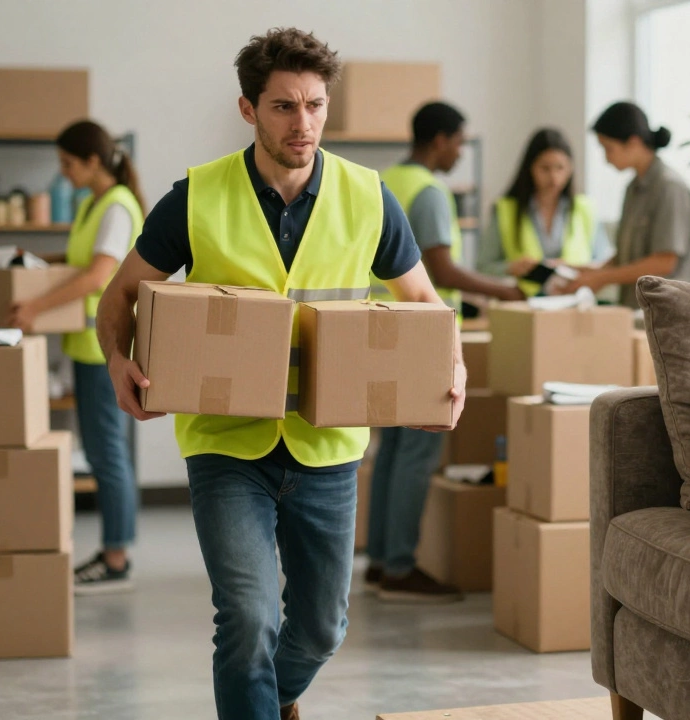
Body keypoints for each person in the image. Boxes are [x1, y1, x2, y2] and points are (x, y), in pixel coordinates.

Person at [95, 28, 464, 720]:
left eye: (316, 106)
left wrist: (452, 371)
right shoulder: (197, 196)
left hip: (327, 448)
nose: (304, 124)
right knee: (247, 616)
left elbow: (425, 304)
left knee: (323, 628)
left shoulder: (368, 196)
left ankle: (273, 698)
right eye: (284, 108)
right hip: (225, 444)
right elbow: (119, 294)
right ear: (248, 109)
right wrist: (119, 360)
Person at [363, 102, 519, 604]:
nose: (459, 152)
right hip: (419, 332)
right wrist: (504, 291)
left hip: (379, 327)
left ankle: (382, 562)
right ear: (439, 140)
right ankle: (401, 568)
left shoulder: (387, 180)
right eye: (457, 141)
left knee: (390, 449)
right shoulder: (429, 192)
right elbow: (443, 272)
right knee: (418, 451)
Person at [7, 120, 145, 595]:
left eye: (68, 163)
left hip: (105, 350)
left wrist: (35, 307)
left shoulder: (117, 207)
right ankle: (113, 552)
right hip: (88, 349)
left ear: (92, 161)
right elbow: (79, 259)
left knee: (108, 454)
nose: (63, 173)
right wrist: (36, 258)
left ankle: (116, 557)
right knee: (105, 450)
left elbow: (96, 277)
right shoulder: (94, 205)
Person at [558, 101, 690, 308]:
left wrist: (602, 278)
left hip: (668, 311)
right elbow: (626, 258)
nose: (606, 158)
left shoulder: (670, 188)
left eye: (608, 149)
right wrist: (586, 273)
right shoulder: (633, 189)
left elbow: (664, 261)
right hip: (636, 309)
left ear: (633, 142)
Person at [477, 127, 613, 295]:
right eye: (545, 168)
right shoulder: (505, 209)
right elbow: (483, 268)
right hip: (524, 306)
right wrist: (511, 268)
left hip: (575, 302)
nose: (554, 178)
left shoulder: (585, 209)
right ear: (530, 168)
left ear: (570, 169)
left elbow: (605, 264)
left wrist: (573, 267)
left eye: (560, 168)